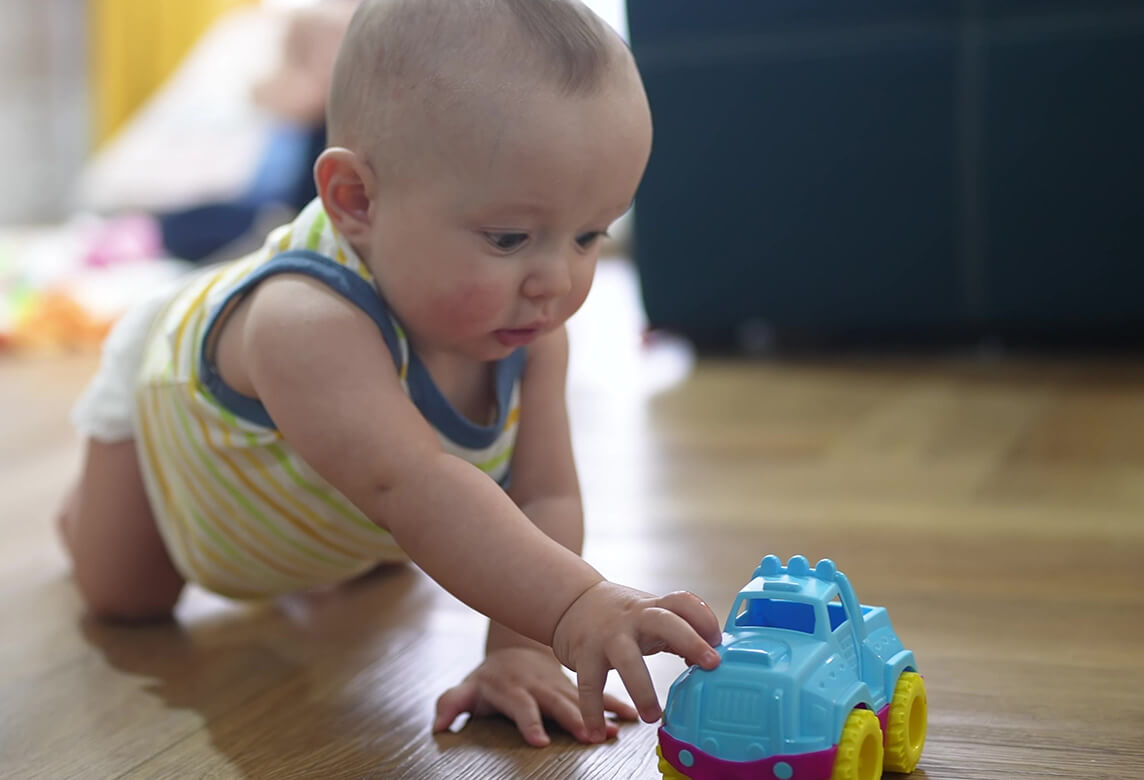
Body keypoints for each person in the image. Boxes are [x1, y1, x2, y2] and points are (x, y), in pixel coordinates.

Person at [56, 0, 721, 748]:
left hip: (346, 492)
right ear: (356, 200)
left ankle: (345, 533)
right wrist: (575, 608)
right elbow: (412, 487)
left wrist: (522, 650)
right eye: (510, 238)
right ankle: (80, 514)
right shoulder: (304, 323)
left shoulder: (532, 335)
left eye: (589, 235)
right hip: (169, 409)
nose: (557, 281)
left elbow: (546, 495)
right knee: (126, 598)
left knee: (398, 524)